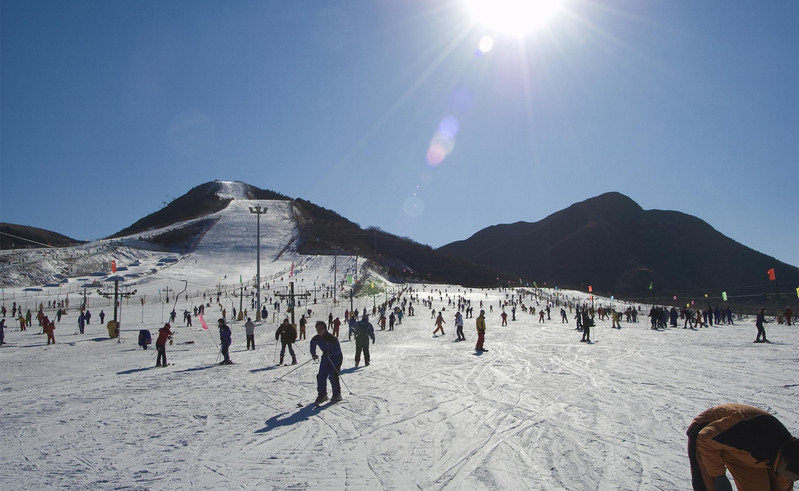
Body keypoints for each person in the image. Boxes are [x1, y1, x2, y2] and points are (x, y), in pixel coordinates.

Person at [687, 403, 799, 491]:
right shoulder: (751, 434)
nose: (791, 480)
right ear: (785, 463)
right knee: (714, 487)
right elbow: (705, 438)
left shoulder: (787, 457)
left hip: (744, 453)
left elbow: (782, 483)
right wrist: (718, 477)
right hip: (707, 434)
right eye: (791, 477)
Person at [309, 321, 343, 405]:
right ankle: (322, 394)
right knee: (321, 376)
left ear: (325, 329)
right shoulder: (316, 338)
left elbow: (338, 350)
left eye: (321, 329)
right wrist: (313, 354)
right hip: (325, 357)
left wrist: (331, 353)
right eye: (317, 329)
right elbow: (312, 344)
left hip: (336, 358)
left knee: (332, 375)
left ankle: (337, 394)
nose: (319, 331)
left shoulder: (331, 338)